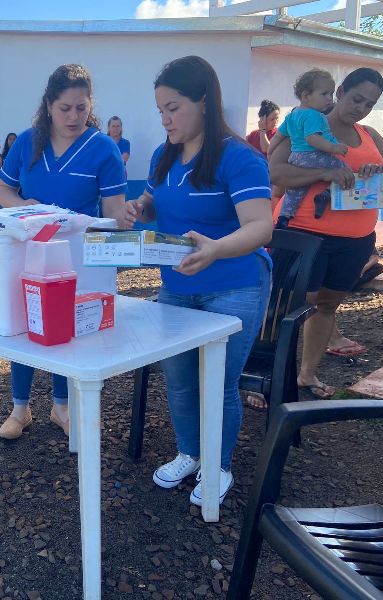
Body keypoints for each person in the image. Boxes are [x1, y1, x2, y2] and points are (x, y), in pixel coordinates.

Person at [129, 56, 273, 506]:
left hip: (235, 284)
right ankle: (190, 453)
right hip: (178, 284)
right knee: (179, 378)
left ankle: (219, 464)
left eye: (174, 107)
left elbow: (259, 227)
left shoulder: (239, 158)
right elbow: (153, 203)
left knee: (218, 381)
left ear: (205, 102)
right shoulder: (163, 155)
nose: (166, 119)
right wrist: (141, 208)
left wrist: (214, 248)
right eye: (160, 110)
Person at [0, 64, 134, 440]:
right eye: (64, 108)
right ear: (48, 106)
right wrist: (26, 206)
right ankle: (20, 408)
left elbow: (112, 214)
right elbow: (1, 192)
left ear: (91, 105)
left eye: (81, 107)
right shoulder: (27, 141)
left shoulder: (103, 148)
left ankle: (61, 405)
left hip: (76, 258)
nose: (73, 116)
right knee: (23, 322)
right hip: (28, 251)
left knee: (64, 326)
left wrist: (131, 217)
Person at [269, 67, 383, 399]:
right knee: (283, 310)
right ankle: (267, 379)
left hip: (354, 240)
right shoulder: (305, 123)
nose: (361, 108)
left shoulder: (368, 134)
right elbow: (276, 172)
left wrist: (378, 172)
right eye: (357, 98)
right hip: (304, 235)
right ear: (340, 91)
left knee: (326, 306)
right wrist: (325, 172)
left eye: (369, 104)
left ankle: (306, 376)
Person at [271, 69, 349, 228]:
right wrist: (333, 148)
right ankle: (325, 194)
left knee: (296, 189)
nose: (329, 98)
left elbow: (277, 137)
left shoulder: (292, 116)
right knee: (343, 170)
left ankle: (284, 217)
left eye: (331, 94)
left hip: (296, 158)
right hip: (312, 155)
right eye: (324, 94)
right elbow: (312, 138)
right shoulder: (314, 115)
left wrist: (270, 153)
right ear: (306, 96)